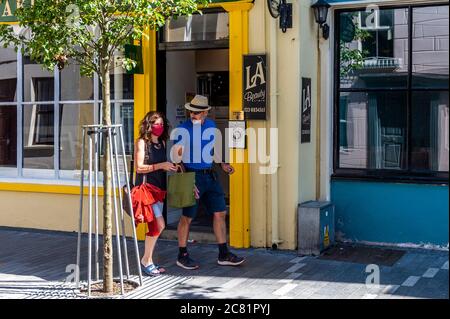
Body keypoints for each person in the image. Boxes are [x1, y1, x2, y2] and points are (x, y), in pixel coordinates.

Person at [172, 95, 245, 270]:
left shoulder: (211, 125)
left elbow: (211, 149)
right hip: (192, 176)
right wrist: (187, 181)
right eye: (191, 111)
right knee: (187, 217)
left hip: (210, 176)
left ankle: (223, 254)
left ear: (205, 112)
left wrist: (222, 164)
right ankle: (182, 255)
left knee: (220, 213)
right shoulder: (183, 129)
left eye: (197, 112)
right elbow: (177, 159)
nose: (193, 115)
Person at [135, 111, 178, 276]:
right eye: (155, 124)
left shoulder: (161, 143)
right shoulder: (142, 143)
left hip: (159, 190)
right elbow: (139, 168)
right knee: (159, 225)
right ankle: (146, 260)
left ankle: (148, 260)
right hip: (146, 190)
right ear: (148, 125)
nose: (159, 127)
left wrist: (171, 166)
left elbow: (162, 165)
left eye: (161, 124)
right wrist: (161, 165)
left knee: (155, 226)